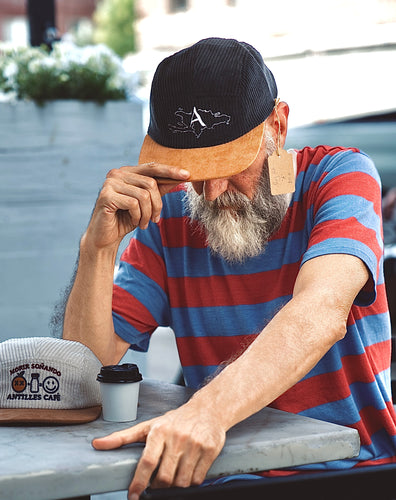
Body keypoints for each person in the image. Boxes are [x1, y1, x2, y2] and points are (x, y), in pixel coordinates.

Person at [59, 38, 396, 500]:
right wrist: (96, 251)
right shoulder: (173, 213)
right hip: (217, 477)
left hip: (350, 471)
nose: (213, 193)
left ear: (277, 125)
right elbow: (86, 368)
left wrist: (207, 411)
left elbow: (320, 313)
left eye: (231, 164)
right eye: (195, 169)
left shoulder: (340, 177)